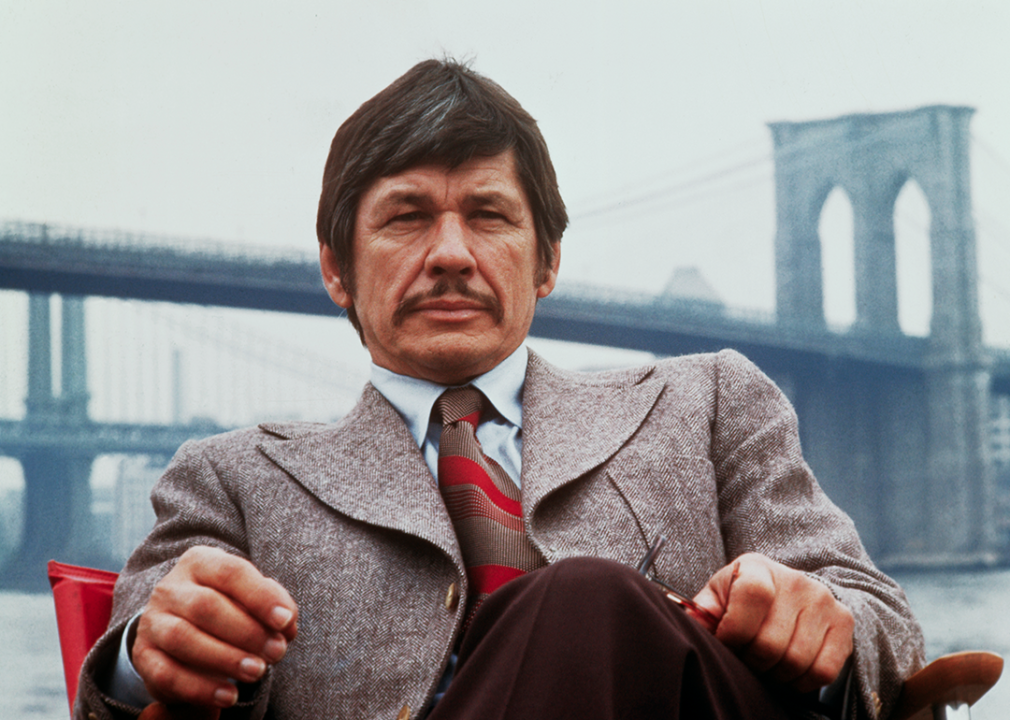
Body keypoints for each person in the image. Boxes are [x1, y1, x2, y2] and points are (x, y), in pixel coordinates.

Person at [75, 59, 924, 720]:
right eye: (406, 217)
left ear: (547, 260)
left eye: (488, 215)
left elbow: (893, 641)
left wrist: (829, 624)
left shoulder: (708, 404)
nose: (450, 252)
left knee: (588, 600)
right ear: (336, 269)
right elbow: (113, 696)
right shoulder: (229, 479)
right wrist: (150, 647)